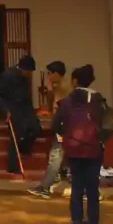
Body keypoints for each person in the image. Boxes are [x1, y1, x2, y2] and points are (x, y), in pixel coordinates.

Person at [54, 65, 108, 224]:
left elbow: (55, 125)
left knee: (77, 186)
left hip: (74, 149)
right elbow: (108, 125)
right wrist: (100, 139)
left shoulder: (66, 101)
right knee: (92, 188)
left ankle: (76, 219)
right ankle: (93, 220)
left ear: (75, 81)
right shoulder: (98, 100)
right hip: (94, 149)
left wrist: (67, 134)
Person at [29, 60, 69, 199]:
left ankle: (45, 187)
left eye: (50, 74)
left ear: (57, 74)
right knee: (60, 157)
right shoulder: (62, 86)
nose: (48, 76)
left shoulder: (62, 88)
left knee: (55, 157)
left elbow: (57, 107)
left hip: (64, 127)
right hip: (63, 126)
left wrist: (50, 89)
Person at [0, 55, 41, 176]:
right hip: (12, 108)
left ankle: (24, 148)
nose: (30, 74)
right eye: (29, 71)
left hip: (25, 106)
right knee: (17, 132)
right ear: (22, 69)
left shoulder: (24, 77)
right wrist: (5, 110)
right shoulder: (8, 75)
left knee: (36, 128)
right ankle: (13, 166)